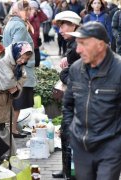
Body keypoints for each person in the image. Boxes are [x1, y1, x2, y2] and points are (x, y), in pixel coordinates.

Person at [63, 21, 121, 180]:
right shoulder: (75, 69)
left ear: (100, 45)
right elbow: (68, 105)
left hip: (109, 148)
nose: (78, 49)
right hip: (81, 148)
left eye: (83, 44)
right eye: (77, 44)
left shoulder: (118, 70)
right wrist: (71, 133)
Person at [0, 41, 33, 155]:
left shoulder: (17, 64)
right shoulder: (2, 59)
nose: (23, 61)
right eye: (22, 57)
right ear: (16, 53)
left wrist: (15, 86)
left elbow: (23, 77)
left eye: (25, 59)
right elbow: (6, 84)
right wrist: (15, 85)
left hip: (4, 102)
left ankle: (5, 157)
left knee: (2, 129)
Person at [51, 10, 81, 179]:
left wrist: (63, 72)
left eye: (63, 25)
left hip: (78, 101)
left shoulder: (78, 46)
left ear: (73, 25)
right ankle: (66, 170)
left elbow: (76, 78)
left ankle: (71, 173)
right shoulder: (72, 44)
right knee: (65, 134)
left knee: (69, 135)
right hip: (72, 100)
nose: (60, 29)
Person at [2, 0, 36, 138]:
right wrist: (22, 66)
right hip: (20, 69)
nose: (30, 12)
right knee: (18, 102)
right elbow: (19, 49)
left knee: (15, 102)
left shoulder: (11, 23)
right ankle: (13, 129)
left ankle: (12, 128)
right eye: (28, 10)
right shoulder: (20, 26)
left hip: (13, 66)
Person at [29, 0, 48, 67]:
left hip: (36, 39)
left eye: (35, 8)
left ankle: (36, 68)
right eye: (32, 8)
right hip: (29, 40)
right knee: (30, 58)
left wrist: (40, 11)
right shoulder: (27, 15)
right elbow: (28, 22)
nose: (34, 9)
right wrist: (32, 14)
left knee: (37, 60)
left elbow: (45, 18)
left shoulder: (37, 16)